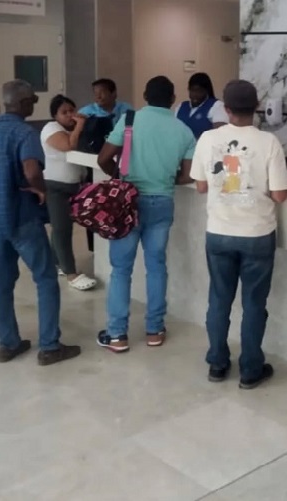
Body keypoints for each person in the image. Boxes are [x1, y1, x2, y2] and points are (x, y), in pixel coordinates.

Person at [190, 80, 287, 389]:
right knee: (254, 304)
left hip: (219, 232)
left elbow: (201, 186)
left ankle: (218, 364)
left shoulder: (208, 139)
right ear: (257, 107)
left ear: (227, 109)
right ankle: (250, 370)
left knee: (219, 301)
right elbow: (280, 195)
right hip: (257, 234)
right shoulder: (269, 142)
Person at [0, 80, 81, 366]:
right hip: (22, 218)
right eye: (32, 100)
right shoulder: (25, 133)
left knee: (3, 283)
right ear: (22, 103)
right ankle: (49, 346)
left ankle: (8, 344)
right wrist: (41, 189)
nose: (34, 105)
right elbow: (32, 170)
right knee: (45, 278)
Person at [96, 76, 196, 353]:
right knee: (157, 267)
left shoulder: (130, 120)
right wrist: (164, 180)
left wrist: (118, 177)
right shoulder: (184, 130)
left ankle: (117, 334)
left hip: (127, 203)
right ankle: (154, 330)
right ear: (173, 99)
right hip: (162, 202)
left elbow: (103, 158)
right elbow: (188, 175)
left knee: (121, 270)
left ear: (144, 96)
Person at [40, 94, 97, 291]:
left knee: (61, 227)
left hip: (74, 186)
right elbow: (68, 146)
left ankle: (56, 263)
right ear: (54, 115)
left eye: (72, 110)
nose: (70, 115)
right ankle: (71, 273)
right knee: (61, 230)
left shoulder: (71, 130)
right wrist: (79, 125)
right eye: (64, 112)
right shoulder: (51, 128)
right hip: (56, 186)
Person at [176, 72, 229, 139]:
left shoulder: (217, 106)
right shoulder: (181, 106)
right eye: (192, 90)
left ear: (206, 91)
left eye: (199, 91)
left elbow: (220, 135)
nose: (195, 94)